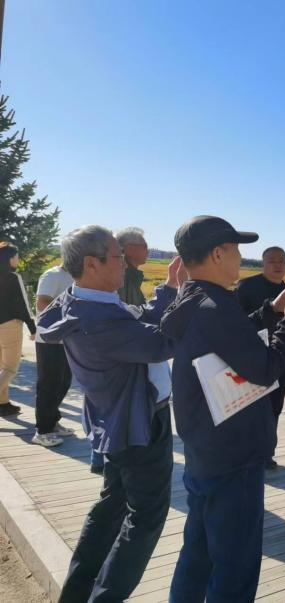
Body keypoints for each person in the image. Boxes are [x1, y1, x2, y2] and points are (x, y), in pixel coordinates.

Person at [162, 216, 285, 602]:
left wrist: (270, 312)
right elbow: (263, 369)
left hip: (204, 446)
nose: (240, 259)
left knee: (198, 553)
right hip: (234, 454)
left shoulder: (192, 299)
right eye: (235, 250)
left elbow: (227, 340)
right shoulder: (217, 306)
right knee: (236, 565)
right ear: (217, 254)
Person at [38, 225, 186, 603]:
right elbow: (161, 343)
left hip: (116, 421)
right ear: (92, 263)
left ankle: (76, 594)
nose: (125, 264)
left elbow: (139, 324)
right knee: (146, 517)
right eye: (118, 257)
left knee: (111, 510)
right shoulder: (98, 319)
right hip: (139, 424)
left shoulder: (81, 302)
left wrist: (169, 288)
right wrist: (188, 298)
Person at [235, 246, 285, 469]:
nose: (278, 265)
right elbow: (236, 323)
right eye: (272, 260)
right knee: (250, 408)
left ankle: (266, 454)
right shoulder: (246, 287)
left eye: (282, 260)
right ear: (263, 264)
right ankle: (246, 453)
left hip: (281, 356)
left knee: (274, 407)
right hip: (251, 358)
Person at [31, 262, 75, 446]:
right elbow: (42, 303)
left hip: (67, 339)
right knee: (49, 385)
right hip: (49, 339)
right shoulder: (52, 275)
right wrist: (68, 316)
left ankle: (52, 421)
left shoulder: (73, 276)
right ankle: (42, 431)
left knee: (63, 382)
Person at [0, 242, 36, 417]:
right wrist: (32, 327)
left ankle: (3, 403)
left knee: (1, 366)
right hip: (10, 325)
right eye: (16, 256)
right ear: (10, 258)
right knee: (10, 368)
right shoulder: (14, 277)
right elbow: (23, 304)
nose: (18, 259)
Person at [116, 226, 149, 305]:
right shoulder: (120, 279)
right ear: (130, 249)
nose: (148, 251)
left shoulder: (131, 276)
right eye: (145, 246)